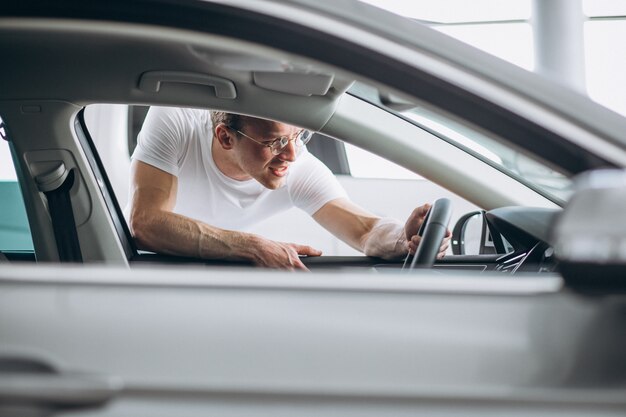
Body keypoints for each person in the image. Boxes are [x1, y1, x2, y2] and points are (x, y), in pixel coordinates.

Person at [128, 106, 450, 270]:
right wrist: (255, 247)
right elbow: (146, 223)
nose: (292, 154)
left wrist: (403, 238)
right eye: (276, 141)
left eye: (298, 136)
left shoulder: (296, 168)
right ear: (226, 137)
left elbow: (365, 230)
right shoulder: (177, 121)